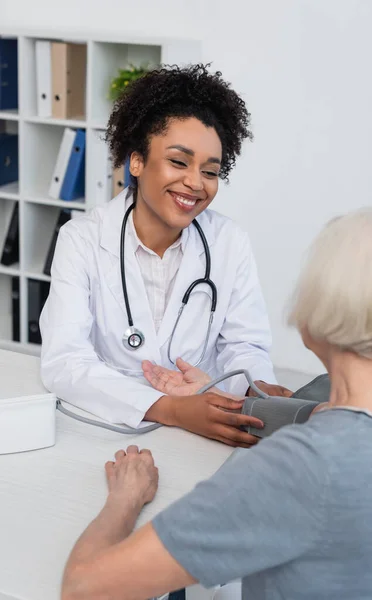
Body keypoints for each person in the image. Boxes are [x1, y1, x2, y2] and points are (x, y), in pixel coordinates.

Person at [61, 208, 372, 600]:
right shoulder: (331, 402)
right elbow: (315, 414)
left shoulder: (296, 470)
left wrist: (125, 498)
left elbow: (84, 589)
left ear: (318, 307)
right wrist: (211, 394)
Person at [39, 64, 291, 448]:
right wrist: (170, 408)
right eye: (178, 161)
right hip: (108, 425)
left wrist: (256, 389)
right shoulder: (82, 240)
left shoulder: (229, 243)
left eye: (210, 171)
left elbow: (244, 347)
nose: (195, 182)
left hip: (207, 428)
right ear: (136, 162)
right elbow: (65, 362)